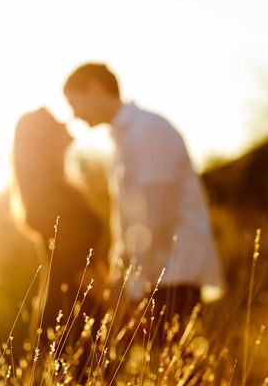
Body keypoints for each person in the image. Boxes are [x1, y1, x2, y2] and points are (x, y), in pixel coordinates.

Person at [63, 63, 225, 345]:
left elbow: (155, 215)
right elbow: (129, 222)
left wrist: (132, 285)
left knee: (183, 376)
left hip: (173, 272)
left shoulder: (148, 131)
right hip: (154, 276)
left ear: (95, 89)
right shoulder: (119, 143)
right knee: (171, 374)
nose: (75, 115)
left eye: (75, 104)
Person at [12, 107, 110, 347]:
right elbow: (76, 262)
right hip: (70, 313)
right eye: (58, 124)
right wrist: (116, 305)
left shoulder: (61, 187)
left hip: (82, 305)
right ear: (43, 141)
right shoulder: (49, 196)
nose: (67, 126)